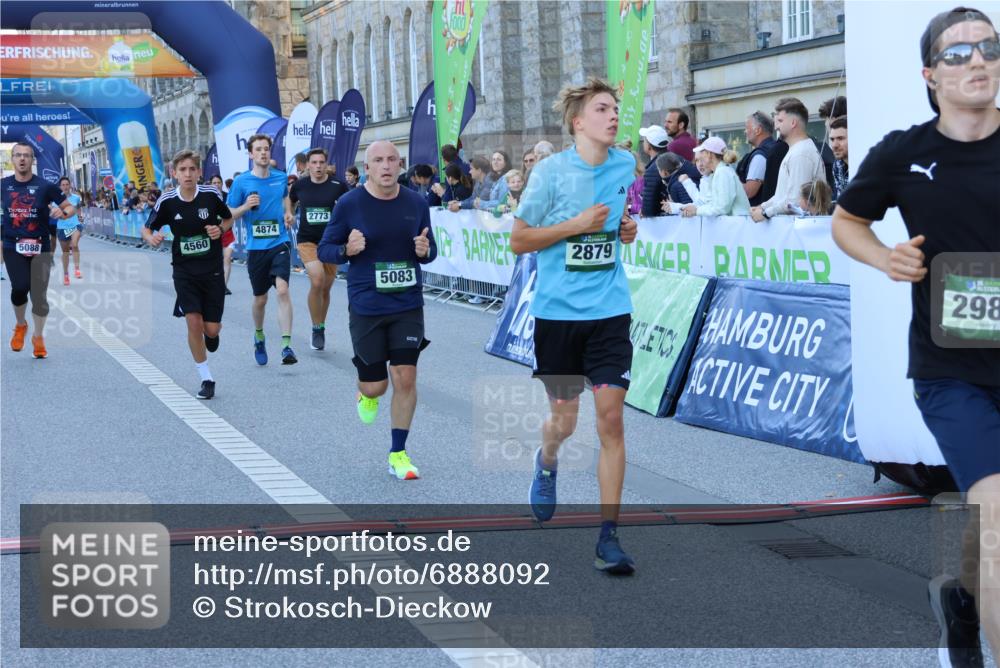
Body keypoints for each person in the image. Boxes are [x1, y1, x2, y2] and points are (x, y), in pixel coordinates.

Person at [831, 8, 1000, 666]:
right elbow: (848, 221)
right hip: (952, 373)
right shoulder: (906, 152)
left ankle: (960, 597)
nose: (978, 60)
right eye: (958, 54)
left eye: (989, 47)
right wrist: (885, 257)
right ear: (931, 76)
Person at [510, 77, 639, 575]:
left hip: (609, 310)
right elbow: (520, 241)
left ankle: (609, 536)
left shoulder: (626, 163)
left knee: (610, 418)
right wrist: (575, 226)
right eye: (603, 109)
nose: (613, 116)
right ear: (577, 122)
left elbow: (621, 224)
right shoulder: (548, 174)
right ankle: (547, 462)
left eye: (615, 108)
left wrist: (627, 229)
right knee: (564, 422)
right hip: (558, 317)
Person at [317, 139, 436, 481]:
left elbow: (431, 251)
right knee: (376, 387)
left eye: (392, 160)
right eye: (378, 161)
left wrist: (425, 251)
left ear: (401, 165)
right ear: (366, 168)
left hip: (407, 303)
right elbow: (325, 248)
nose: (386, 166)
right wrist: (347, 250)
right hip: (367, 304)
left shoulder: (416, 202)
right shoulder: (349, 203)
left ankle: (398, 453)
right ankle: (365, 389)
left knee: (406, 376)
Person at [143, 150, 233, 399]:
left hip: (212, 269)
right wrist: (152, 237)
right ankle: (206, 378)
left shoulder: (211, 194)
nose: (188, 174)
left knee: (211, 329)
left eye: (192, 169)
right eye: (182, 170)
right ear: (174, 173)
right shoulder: (168, 200)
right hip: (184, 271)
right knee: (193, 321)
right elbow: (147, 227)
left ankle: (211, 334)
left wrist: (219, 229)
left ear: (199, 172)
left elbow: (227, 220)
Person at [226, 133, 298, 366]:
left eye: (266, 149)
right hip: (256, 248)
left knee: (283, 290)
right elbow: (227, 216)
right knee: (260, 299)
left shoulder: (280, 177)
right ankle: (259, 335)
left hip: (279, 242)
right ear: (250, 154)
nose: (263, 153)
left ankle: (286, 346)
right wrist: (246, 206)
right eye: (258, 149)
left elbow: (286, 198)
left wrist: (288, 212)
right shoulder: (241, 182)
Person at [1, 141, 74, 358]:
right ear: (12, 159)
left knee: (39, 297)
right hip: (13, 245)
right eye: (18, 155)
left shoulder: (46, 186)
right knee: (20, 287)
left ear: (33, 160)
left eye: (27, 155)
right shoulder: (3, 185)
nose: (22, 159)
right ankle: (21, 324)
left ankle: (38, 337)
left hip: (40, 246)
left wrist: (64, 213)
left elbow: (69, 207)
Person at [287, 147, 348, 351]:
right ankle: (316, 327)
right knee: (317, 279)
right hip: (307, 241)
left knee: (326, 288)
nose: (318, 166)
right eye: (314, 163)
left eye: (321, 162)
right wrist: (289, 213)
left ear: (326, 164)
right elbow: (290, 199)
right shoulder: (300, 185)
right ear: (308, 165)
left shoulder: (338, 185)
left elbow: (351, 205)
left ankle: (320, 326)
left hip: (331, 242)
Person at [751, 97, 827, 222]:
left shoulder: (801, 153)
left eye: (780, 120)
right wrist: (761, 207)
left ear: (793, 123)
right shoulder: (798, 150)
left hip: (798, 231)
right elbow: (784, 195)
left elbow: (795, 200)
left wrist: (765, 213)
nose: (776, 126)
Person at [676, 137, 751, 217]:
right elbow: (714, 204)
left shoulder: (723, 172)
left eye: (702, 152)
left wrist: (697, 210)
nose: (700, 158)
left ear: (709, 154)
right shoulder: (720, 172)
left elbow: (723, 208)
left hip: (738, 225)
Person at [736, 111, 780, 206]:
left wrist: (730, 181)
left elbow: (749, 191)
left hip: (759, 216)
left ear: (758, 130)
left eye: (747, 128)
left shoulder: (760, 156)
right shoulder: (774, 149)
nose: (745, 132)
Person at [55, 177, 84, 286]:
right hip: (62, 227)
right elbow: (53, 212)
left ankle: (77, 269)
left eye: (67, 184)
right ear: (60, 187)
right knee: (65, 252)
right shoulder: (56, 200)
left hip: (75, 225)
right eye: (63, 185)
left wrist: (81, 221)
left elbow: (79, 211)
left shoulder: (76, 198)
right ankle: (66, 275)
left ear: (70, 185)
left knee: (75, 244)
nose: (65, 186)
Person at [637, 125, 671, 217]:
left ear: (649, 146)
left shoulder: (653, 169)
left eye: (644, 140)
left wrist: (644, 211)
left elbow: (648, 209)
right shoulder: (675, 158)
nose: (643, 143)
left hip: (665, 220)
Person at [210, 175, 235, 295]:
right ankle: (215, 283)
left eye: (218, 182)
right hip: (213, 234)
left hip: (227, 232)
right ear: (210, 184)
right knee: (215, 261)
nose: (216, 185)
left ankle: (224, 285)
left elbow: (231, 212)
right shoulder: (207, 197)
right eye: (214, 183)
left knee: (227, 258)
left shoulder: (227, 196)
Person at [828, 116, 850, 202]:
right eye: (832, 139)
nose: (834, 145)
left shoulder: (867, 164)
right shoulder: (837, 165)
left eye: (840, 138)